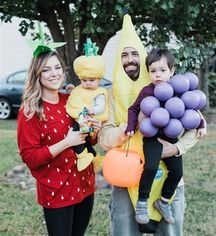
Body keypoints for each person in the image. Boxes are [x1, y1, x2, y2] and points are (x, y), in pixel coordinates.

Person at [98, 14, 206, 235]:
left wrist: (176, 148)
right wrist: (125, 131)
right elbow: (102, 135)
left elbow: (192, 122)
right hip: (126, 176)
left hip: (167, 173)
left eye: (135, 54)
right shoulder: (108, 95)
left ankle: (163, 201)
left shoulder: (170, 89)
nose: (129, 59)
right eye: (124, 55)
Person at [17, 48, 102, 236]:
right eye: (46, 69)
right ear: (37, 74)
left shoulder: (71, 101)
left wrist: (93, 131)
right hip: (57, 191)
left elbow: (88, 141)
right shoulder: (31, 111)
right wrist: (66, 142)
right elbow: (30, 157)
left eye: (57, 67)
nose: (54, 73)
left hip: (84, 184)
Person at [125, 48, 206, 225]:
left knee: (177, 172)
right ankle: (142, 202)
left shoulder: (178, 90)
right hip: (152, 136)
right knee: (150, 168)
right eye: (153, 71)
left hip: (172, 136)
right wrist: (131, 126)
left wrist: (200, 124)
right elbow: (133, 109)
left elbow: (190, 109)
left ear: (172, 71)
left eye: (162, 70)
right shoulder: (147, 91)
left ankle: (163, 201)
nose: (157, 75)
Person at [66, 38, 108, 173]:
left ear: (99, 79)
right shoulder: (81, 89)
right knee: (84, 141)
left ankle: (82, 155)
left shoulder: (100, 93)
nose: (88, 83)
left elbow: (101, 107)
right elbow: (78, 96)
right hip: (82, 119)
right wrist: (72, 91)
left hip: (90, 120)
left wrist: (93, 110)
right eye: (84, 80)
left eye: (91, 80)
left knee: (75, 133)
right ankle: (95, 158)